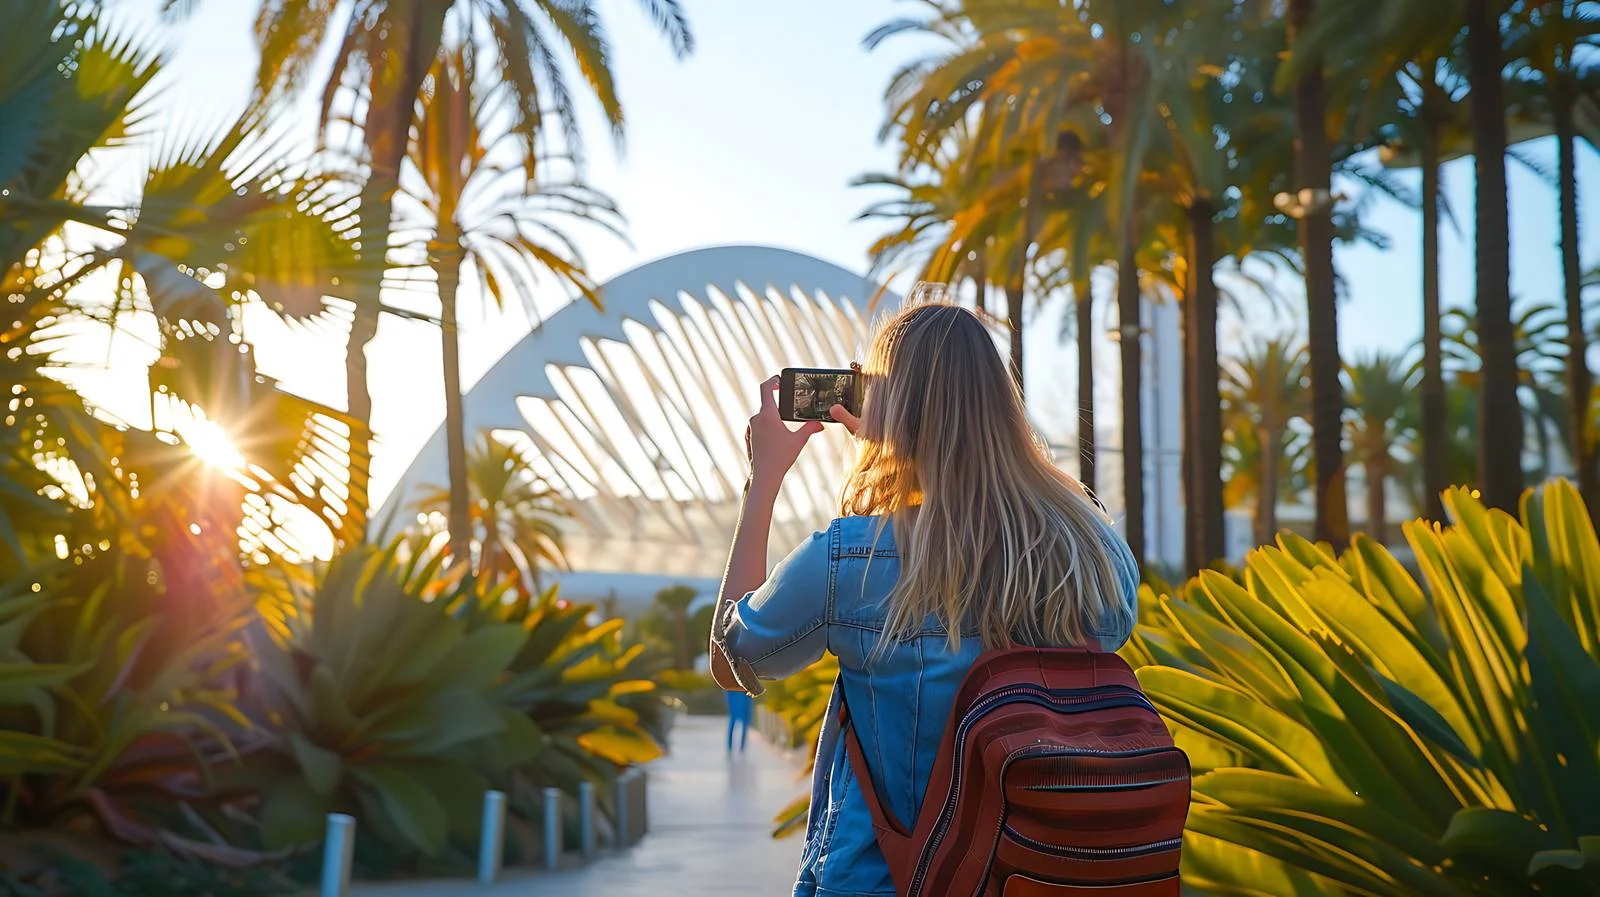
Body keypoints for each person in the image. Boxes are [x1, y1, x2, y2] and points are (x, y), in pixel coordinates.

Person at [709, 300, 1140, 897]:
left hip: (890, 879)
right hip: (1044, 875)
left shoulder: (850, 558)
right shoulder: (1093, 550)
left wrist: (764, 483)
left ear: (891, 408)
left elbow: (735, 660)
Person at [725, 688, 752, 753]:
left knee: (742, 721)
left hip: (741, 692)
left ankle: (740, 747)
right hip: (737, 692)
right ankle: (731, 747)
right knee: (735, 720)